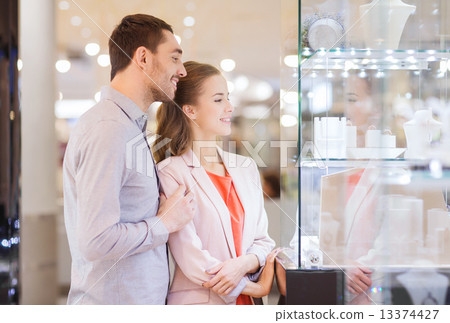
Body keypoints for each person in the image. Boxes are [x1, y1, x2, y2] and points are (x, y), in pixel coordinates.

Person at [63, 14, 195, 305]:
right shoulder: (109, 129)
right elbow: (96, 240)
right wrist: (164, 222)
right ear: (143, 58)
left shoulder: (127, 126)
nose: (182, 70)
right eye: (174, 58)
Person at [154, 61, 277, 305]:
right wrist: (254, 288)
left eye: (228, 98)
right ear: (190, 110)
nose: (230, 107)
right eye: (219, 99)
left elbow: (263, 240)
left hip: (248, 305)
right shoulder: (171, 172)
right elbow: (191, 258)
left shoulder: (246, 168)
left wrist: (243, 264)